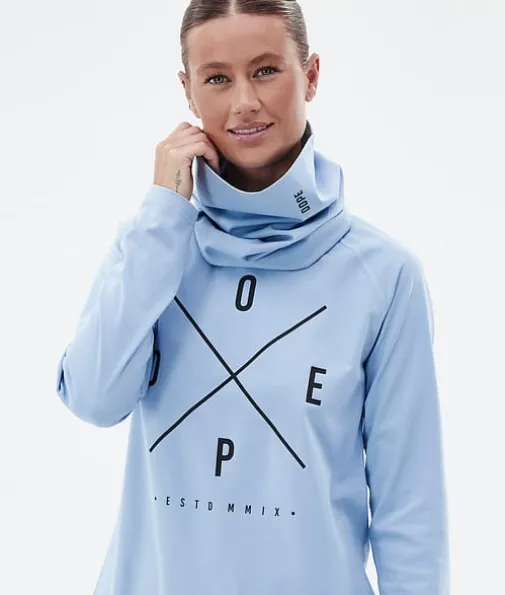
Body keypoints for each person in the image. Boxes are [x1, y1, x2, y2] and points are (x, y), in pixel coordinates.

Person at [55, 1, 450, 593]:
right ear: (188, 92)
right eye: (217, 78)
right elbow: (92, 398)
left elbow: (410, 509)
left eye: (265, 70)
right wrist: (164, 214)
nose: (243, 101)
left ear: (311, 75)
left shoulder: (384, 276)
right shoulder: (152, 247)